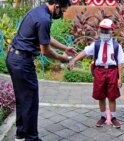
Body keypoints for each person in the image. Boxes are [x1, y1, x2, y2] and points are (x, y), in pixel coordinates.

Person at [6, 1, 76, 141]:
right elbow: (45, 50)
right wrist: (61, 58)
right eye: (62, 10)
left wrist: (64, 48)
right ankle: (31, 138)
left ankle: (21, 135)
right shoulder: (44, 18)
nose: (61, 14)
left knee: (22, 99)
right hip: (22, 62)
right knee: (30, 101)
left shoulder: (39, 11)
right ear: (56, 6)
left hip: (14, 58)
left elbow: (46, 37)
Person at [68, 19, 124, 129]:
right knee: (101, 96)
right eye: (102, 30)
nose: (104, 33)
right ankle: (103, 116)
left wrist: (120, 78)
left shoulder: (116, 46)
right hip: (99, 71)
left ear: (111, 31)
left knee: (112, 96)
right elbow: (85, 52)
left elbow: (120, 62)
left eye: (106, 30)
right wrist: (74, 60)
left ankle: (113, 117)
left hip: (112, 71)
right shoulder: (96, 44)